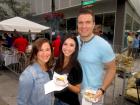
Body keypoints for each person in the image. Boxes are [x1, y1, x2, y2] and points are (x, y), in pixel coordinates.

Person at [77, 8, 116, 105]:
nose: (84, 26)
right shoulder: (73, 42)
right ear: (77, 24)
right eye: (80, 22)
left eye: (88, 22)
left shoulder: (103, 45)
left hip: (93, 95)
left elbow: (112, 69)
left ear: (93, 24)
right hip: (76, 91)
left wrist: (102, 90)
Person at [17, 38, 54, 105]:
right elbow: (22, 102)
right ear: (35, 53)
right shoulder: (28, 74)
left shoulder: (50, 68)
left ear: (51, 51)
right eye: (41, 50)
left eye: (47, 49)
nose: (45, 53)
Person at [54, 35, 83, 105]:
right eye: (65, 44)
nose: (67, 48)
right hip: (57, 100)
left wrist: (67, 84)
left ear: (75, 48)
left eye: (71, 45)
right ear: (61, 45)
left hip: (69, 102)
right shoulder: (59, 61)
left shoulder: (76, 66)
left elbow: (78, 90)